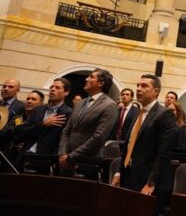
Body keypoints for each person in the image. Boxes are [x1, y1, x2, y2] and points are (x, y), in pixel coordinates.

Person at [112, 74, 177, 214]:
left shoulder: (165, 114)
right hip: (129, 176)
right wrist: (119, 172)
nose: (138, 89)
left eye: (144, 86)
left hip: (148, 182)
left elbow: (164, 153)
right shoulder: (138, 113)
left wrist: (151, 182)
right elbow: (128, 146)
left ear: (156, 91)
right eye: (137, 85)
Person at [58, 68, 118, 175]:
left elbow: (99, 136)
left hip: (88, 161)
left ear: (100, 83)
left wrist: (71, 156)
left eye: (91, 77)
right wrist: (62, 153)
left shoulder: (109, 105)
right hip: (66, 159)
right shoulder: (80, 103)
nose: (86, 79)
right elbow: (67, 130)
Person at [15, 78, 72, 156]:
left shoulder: (68, 113)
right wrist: (43, 124)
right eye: (51, 87)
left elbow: (64, 141)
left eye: (57, 87)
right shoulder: (39, 110)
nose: (52, 89)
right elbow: (20, 132)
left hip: (45, 158)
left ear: (66, 92)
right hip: (25, 154)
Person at [0, 79, 25, 151]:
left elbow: (14, 127)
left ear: (17, 90)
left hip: (6, 147)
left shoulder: (21, 107)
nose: (6, 89)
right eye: (4, 86)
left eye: (10, 87)